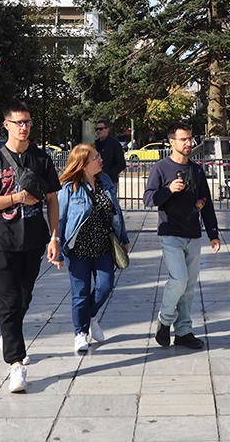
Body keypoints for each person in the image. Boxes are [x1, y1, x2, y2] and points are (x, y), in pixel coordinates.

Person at [0, 100, 61, 394]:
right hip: (2, 239)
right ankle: (16, 364)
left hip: (34, 239)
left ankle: (8, 333)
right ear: (7, 125)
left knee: (24, 297)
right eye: (19, 122)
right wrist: (17, 198)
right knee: (8, 302)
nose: (24, 127)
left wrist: (54, 237)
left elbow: (52, 199)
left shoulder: (42, 159)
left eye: (28, 122)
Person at [144, 122, 221, 352]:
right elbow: (148, 199)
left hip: (193, 234)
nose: (189, 143)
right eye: (183, 139)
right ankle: (165, 319)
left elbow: (206, 202)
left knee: (189, 287)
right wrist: (168, 190)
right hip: (170, 232)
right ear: (172, 142)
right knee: (179, 279)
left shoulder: (196, 170)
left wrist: (213, 233)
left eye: (190, 138)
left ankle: (183, 331)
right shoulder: (160, 168)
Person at [53, 142, 129, 354]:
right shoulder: (68, 188)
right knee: (80, 293)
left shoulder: (105, 181)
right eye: (96, 158)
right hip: (78, 250)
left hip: (103, 246)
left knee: (105, 286)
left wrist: (123, 237)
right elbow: (59, 219)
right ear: (84, 164)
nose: (100, 160)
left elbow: (116, 211)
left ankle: (91, 316)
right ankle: (81, 332)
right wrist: (57, 247)